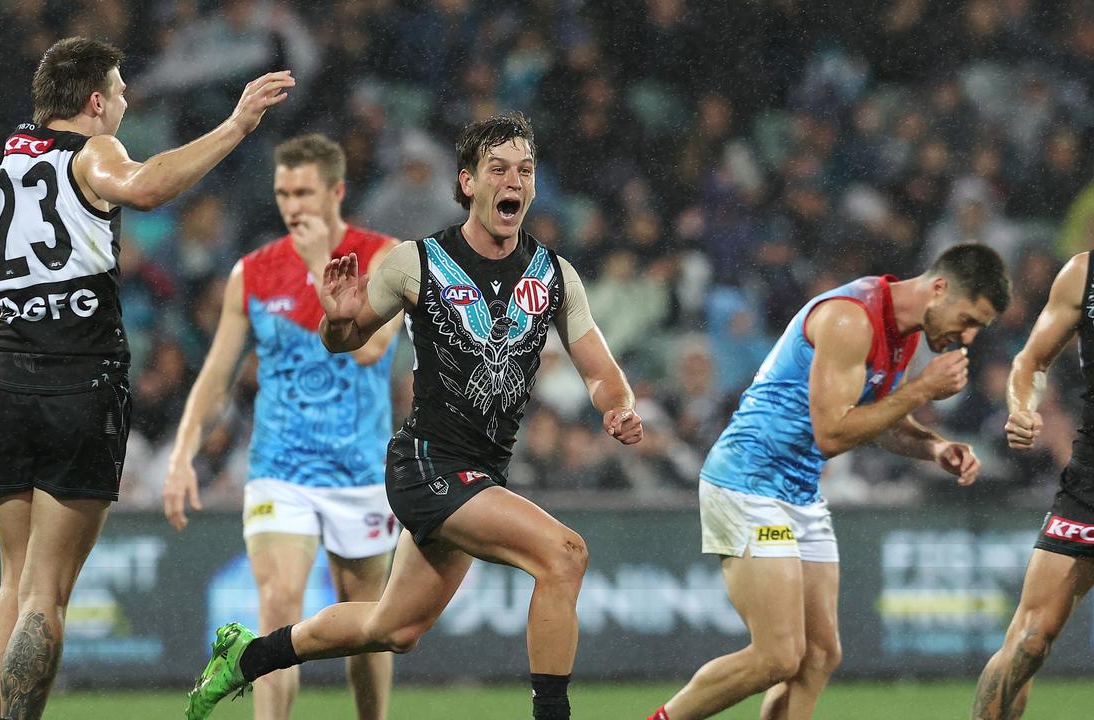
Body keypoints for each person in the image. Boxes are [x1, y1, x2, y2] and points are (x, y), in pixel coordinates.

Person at [0, 36, 294, 720]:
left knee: (12, 584)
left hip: (8, 383)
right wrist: (235, 126)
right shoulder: (94, 153)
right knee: (47, 596)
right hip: (84, 383)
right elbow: (151, 186)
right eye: (122, 92)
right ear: (95, 101)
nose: (127, 104)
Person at [184, 111, 643, 720]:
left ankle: (248, 657)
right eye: (498, 169)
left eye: (525, 170)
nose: (514, 181)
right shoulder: (416, 263)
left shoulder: (555, 276)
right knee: (564, 554)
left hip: (479, 475)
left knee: (392, 628)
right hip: (426, 465)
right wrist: (338, 316)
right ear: (468, 182)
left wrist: (619, 409)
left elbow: (600, 372)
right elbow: (343, 341)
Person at [645, 244, 1011, 720]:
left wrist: (934, 446)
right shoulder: (850, 319)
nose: (969, 337)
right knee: (778, 655)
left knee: (819, 655)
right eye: (968, 319)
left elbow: (877, 419)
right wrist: (922, 390)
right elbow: (834, 432)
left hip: (798, 493)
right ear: (939, 288)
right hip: (749, 484)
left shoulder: (902, 332)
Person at [163, 133, 403, 720]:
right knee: (277, 607)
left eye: (304, 192)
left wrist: (323, 267)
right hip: (281, 467)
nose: (292, 205)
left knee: (369, 625)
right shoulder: (254, 273)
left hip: (361, 470)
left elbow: (373, 353)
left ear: (337, 191)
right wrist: (181, 455)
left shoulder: (383, 256)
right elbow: (217, 375)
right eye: (282, 192)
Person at [972, 251, 1094, 719]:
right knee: (1031, 638)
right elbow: (1031, 362)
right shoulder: (1083, 275)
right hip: (1090, 481)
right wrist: (1022, 407)